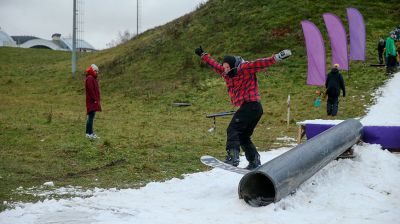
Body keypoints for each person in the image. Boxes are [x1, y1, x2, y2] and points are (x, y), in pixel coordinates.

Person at [195, 46, 292, 170]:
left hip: (251, 106)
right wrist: (203, 55)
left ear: (233, 65)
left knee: (233, 129)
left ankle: (233, 157)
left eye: (227, 67)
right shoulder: (226, 73)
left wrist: (278, 57)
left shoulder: (244, 68)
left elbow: (259, 64)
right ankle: (254, 161)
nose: (225, 70)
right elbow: (215, 65)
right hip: (254, 109)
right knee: (243, 136)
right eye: (224, 68)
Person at [85, 64, 102, 139]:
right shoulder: (90, 78)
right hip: (91, 101)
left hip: (93, 101)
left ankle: (90, 132)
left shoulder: (92, 78)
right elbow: (91, 90)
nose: (97, 72)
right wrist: (95, 99)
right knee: (90, 117)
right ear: (92, 70)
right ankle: (89, 133)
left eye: (97, 71)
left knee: (91, 117)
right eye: (95, 71)